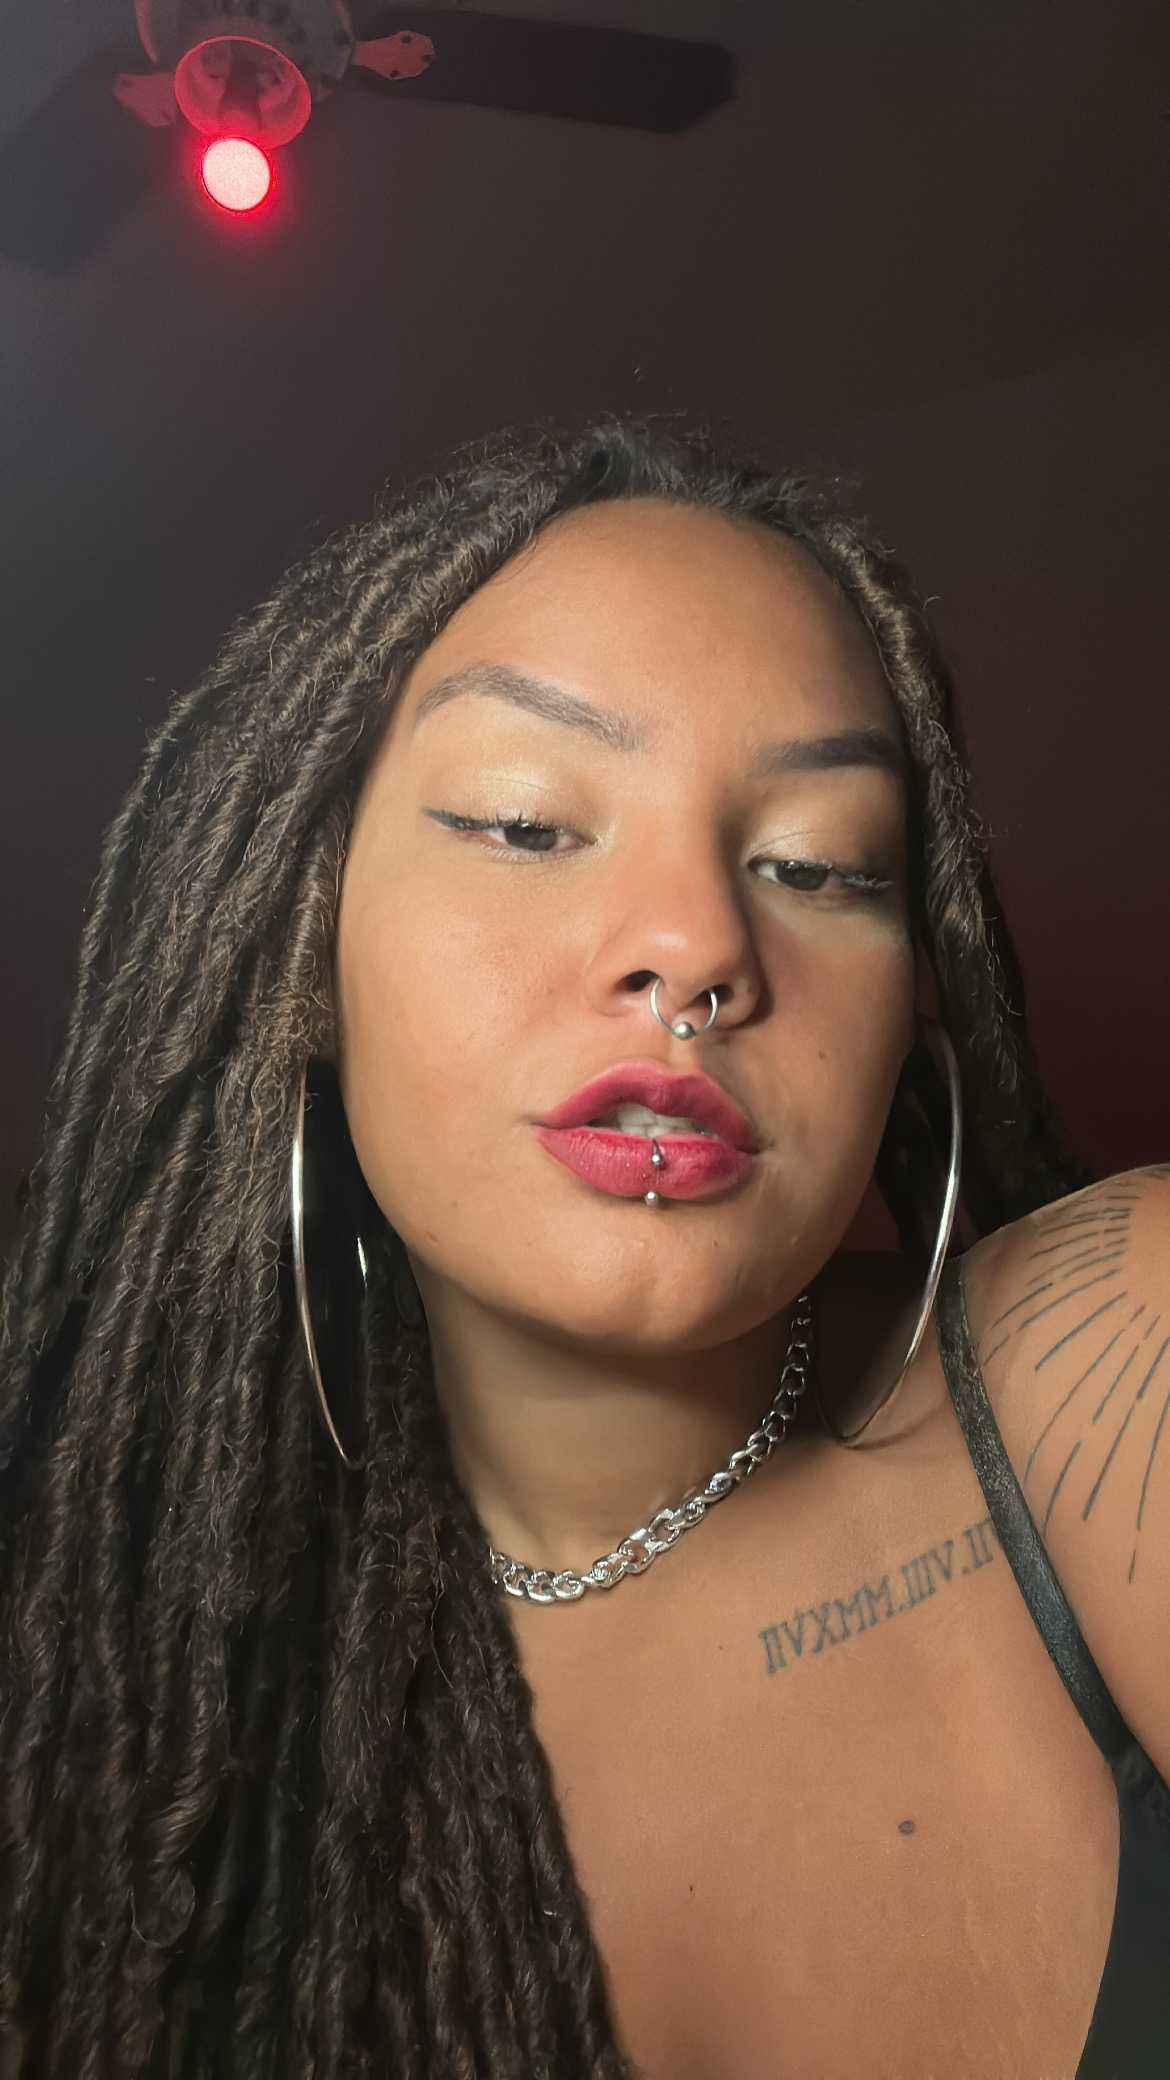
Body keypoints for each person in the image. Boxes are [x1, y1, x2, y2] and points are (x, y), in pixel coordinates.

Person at [1, 411, 1167, 2077]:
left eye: (817, 864)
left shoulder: (1117, 1357)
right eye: (525, 824)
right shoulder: (111, 1682)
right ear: (295, 950)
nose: (697, 945)